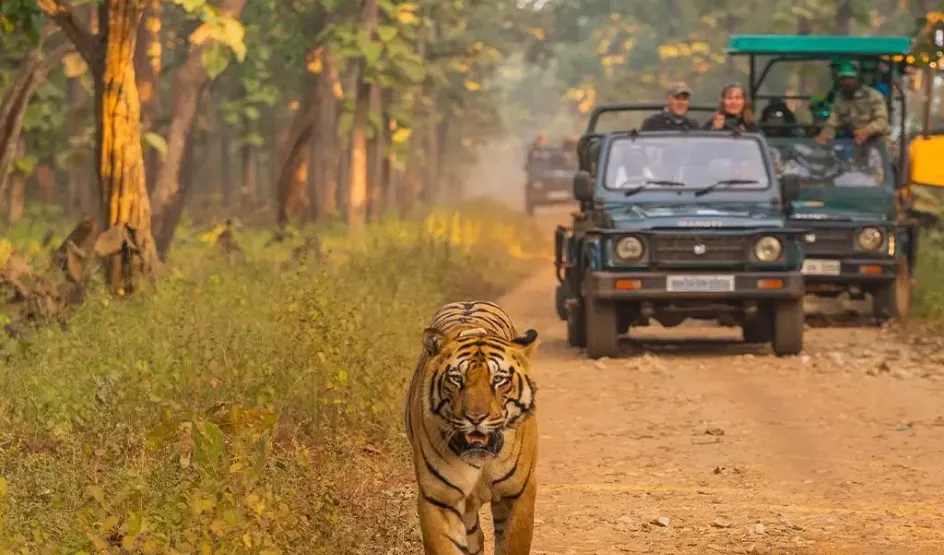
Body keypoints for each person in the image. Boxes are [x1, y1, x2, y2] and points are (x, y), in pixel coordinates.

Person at [815, 61, 889, 146]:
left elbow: (882, 122)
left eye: (850, 78)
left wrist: (867, 131)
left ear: (857, 79)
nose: (847, 82)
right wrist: (825, 136)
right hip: (854, 143)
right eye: (843, 79)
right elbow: (833, 123)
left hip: (878, 143)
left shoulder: (873, 95)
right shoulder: (839, 98)